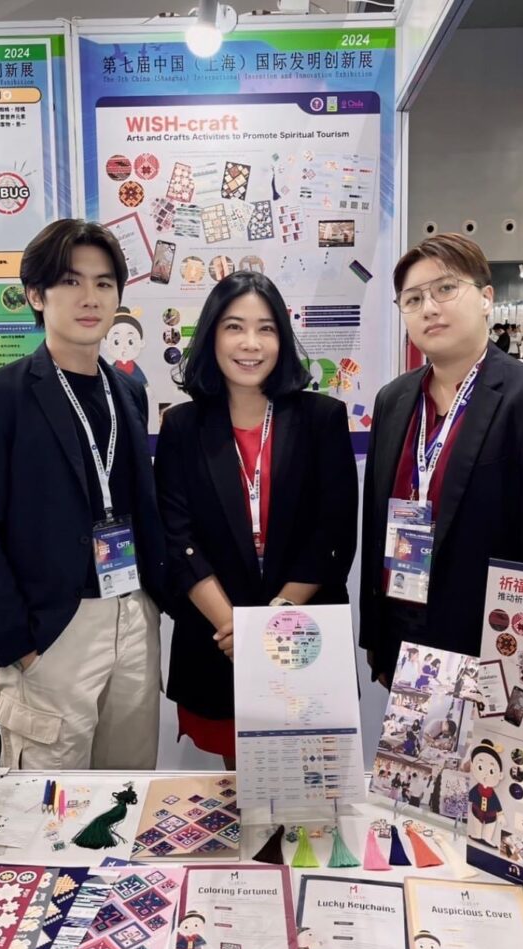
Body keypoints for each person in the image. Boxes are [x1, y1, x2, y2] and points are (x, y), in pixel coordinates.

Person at [0, 219, 166, 771]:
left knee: (127, 788)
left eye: (103, 283)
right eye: (71, 282)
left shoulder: (130, 391)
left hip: (131, 614)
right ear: (36, 294)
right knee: (45, 806)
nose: (90, 298)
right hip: (54, 627)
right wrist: (21, 643)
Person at [360, 233, 523, 686]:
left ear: (486, 298)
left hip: (492, 653)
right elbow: (378, 526)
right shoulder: (393, 400)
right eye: (413, 299)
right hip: (403, 639)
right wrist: (377, 636)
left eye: (446, 289)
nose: (429, 307)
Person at [155, 271, 357, 767]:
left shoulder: (322, 419)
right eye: (234, 327)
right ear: (211, 336)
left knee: (310, 788)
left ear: (282, 340)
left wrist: (273, 623)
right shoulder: (181, 426)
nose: (251, 344)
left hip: (302, 633)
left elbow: (333, 532)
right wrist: (237, 632)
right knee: (239, 792)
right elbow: (175, 537)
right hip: (217, 640)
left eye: (265, 329)